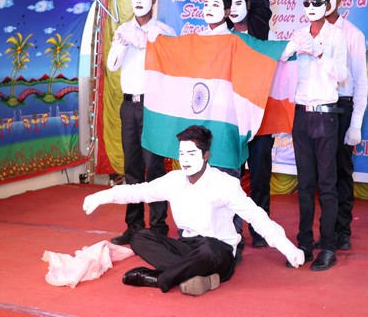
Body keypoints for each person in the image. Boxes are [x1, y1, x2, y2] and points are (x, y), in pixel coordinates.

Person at [82, 125, 305, 296]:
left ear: (206, 155)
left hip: (218, 252)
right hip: (187, 247)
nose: (185, 160)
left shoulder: (224, 184)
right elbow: (139, 191)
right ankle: (196, 278)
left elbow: (255, 216)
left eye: (191, 153)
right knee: (139, 237)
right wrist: (104, 196)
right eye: (182, 154)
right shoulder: (174, 180)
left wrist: (287, 247)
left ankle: (159, 278)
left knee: (208, 248)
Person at [281, 0, 347, 271]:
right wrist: (289, 50)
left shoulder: (336, 36)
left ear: (327, 5)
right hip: (301, 115)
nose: (310, 7)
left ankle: (329, 245)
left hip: (325, 115)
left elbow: (343, 75)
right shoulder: (298, 33)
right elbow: (280, 61)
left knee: (327, 185)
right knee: (305, 184)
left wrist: (319, 53)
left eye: (316, 2)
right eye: (306, 2)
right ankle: (305, 243)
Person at [106, 0, 175, 245]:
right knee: (132, 168)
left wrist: (145, 41)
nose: (138, 1)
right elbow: (112, 65)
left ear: (153, 0)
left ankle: (158, 227)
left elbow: (170, 65)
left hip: (153, 105)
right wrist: (123, 42)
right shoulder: (123, 29)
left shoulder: (164, 32)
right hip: (128, 105)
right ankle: (133, 226)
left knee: (154, 166)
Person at [318, 0, 368, 251]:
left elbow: (361, 81)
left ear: (339, 0)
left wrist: (355, 123)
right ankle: (326, 231)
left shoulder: (353, 34)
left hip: (342, 107)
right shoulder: (311, 31)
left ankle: (342, 230)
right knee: (322, 174)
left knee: (341, 170)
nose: (325, 2)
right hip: (318, 107)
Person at [227, 0, 274, 249]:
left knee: (260, 177)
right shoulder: (224, 37)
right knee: (231, 178)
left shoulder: (267, 36)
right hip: (232, 120)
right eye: (229, 4)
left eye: (239, 3)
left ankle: (260, 230)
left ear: (248, 4)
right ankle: (233, 231)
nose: (233, 9)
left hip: (261, 118)